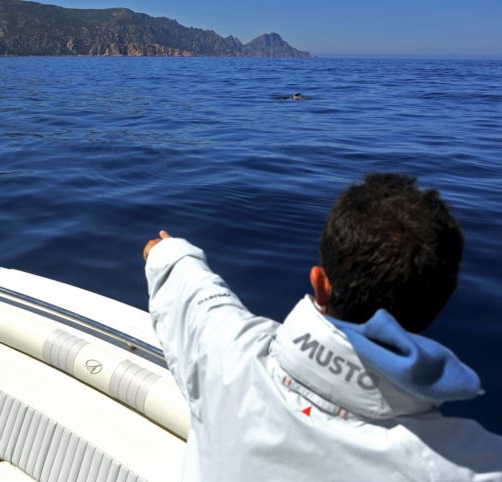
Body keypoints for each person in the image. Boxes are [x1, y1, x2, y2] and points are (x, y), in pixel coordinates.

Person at [143, 173, 502, 482]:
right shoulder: (471, 466)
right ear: (437, 307)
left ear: (320, 283)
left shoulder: (229, 355)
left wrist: (167, 251)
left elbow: (195, 294)